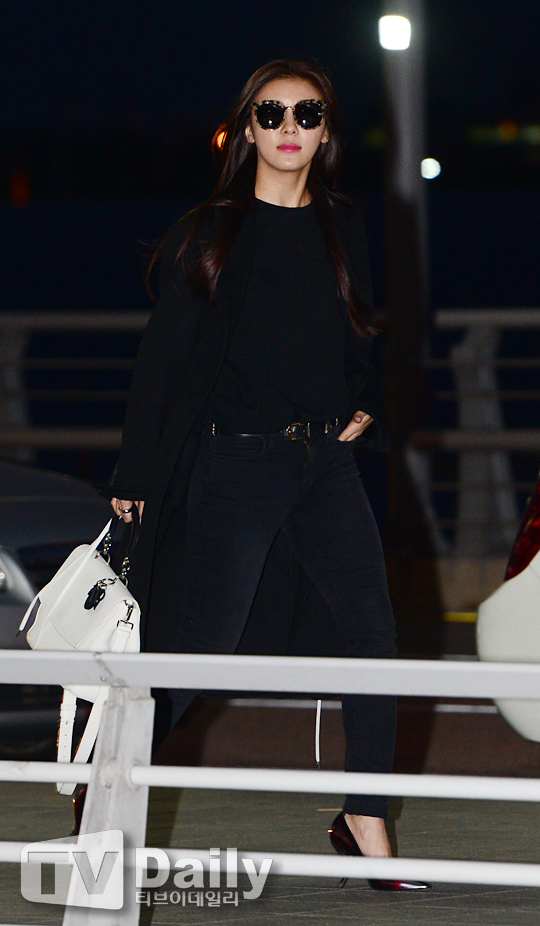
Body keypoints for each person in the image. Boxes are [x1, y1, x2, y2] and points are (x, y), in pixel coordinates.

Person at [109, 58, 428, 891]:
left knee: (372, 635)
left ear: (326, 134)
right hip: (235, 461)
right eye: (273, 112)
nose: (290, 127)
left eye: (308, 113)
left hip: (324, 465)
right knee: (199, 651)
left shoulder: (342, 224)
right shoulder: (211, 231)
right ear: (247, 128)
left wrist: (365, 407)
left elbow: (360, 335)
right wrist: (135, 474)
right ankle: (103, 788)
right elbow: (162, 362)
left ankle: (364, 818)